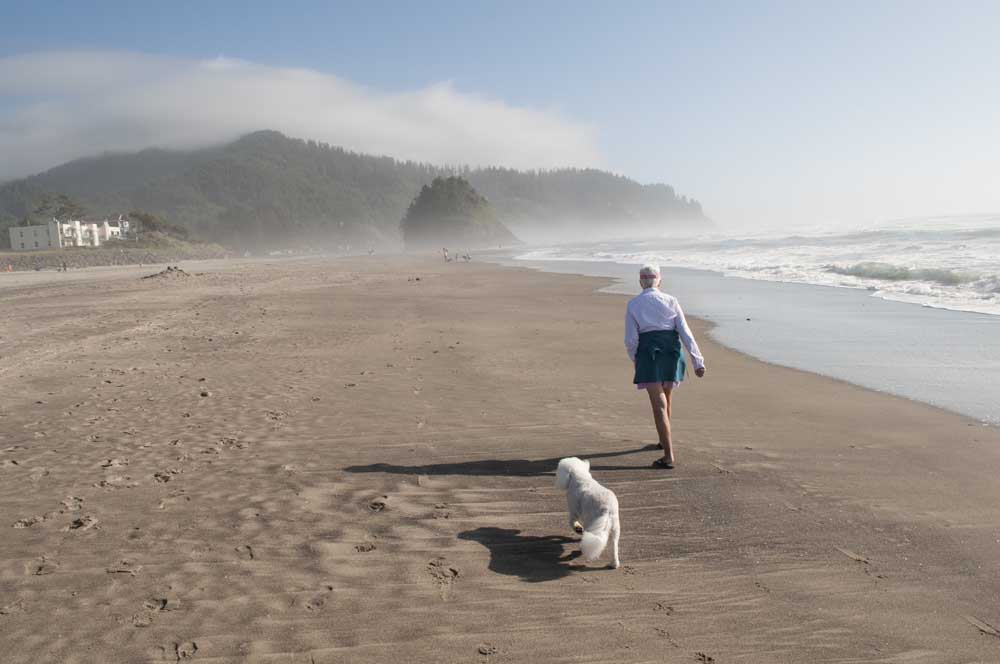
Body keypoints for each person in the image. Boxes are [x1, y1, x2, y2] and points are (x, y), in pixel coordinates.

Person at [625, 264, 706, 469]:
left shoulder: (634, 304)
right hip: (672, 352)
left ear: (640, 282)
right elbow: (685, 332)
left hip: (649, 354)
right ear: (659, 281)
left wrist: (636, 360)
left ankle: (668, 456)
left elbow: (631, 340)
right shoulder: (671, 300)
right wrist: (698, 361)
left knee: (658, 405)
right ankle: (663, 440)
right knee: (667, 398)